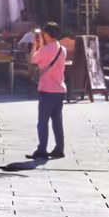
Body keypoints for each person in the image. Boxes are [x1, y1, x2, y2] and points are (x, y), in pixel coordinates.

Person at [28, 24, 68, 160]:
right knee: (57, 121)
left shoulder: (44, 50)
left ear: (46, 34)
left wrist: (35, 45)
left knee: (43, 121)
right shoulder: (62, 49)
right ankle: (59, 148)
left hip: (47, 89)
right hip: (60, 89)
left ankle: (42, 149)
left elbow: (33, 59)